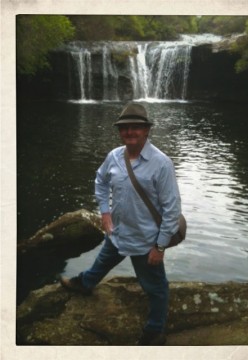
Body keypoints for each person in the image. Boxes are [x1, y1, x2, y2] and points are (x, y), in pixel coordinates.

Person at [60, 103, 182, 346]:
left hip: (146, 241)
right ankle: (85, 283)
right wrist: (105, 212)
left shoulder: (161, 163)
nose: (130, 132)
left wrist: (159, 247)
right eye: (125, 128)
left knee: (156, 287)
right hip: (118, 232)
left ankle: (155, 331)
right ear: (120, 131)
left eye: (135, 127)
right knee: (103, 260)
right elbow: (100, 181)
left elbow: (172, 210)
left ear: (146, 131)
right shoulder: (114, 156)